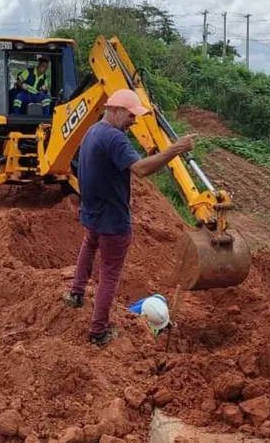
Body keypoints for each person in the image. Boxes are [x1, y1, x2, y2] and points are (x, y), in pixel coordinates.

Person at [61, 89, 197, 346]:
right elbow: (141, 169)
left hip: (92, 214)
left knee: (88, 246)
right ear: (114, 110)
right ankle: (98, 332)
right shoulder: (115, 139)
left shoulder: (92, 132)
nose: (134, 121)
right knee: (110, 275)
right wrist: (175, 149)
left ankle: (76, 294)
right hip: (112, 221)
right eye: (131, 115)